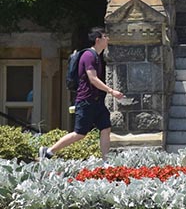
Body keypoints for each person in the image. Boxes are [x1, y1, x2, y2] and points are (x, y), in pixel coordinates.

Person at [39, 28, 125, 160]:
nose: (108, 39)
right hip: (86, 101)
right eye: (105, 36)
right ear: (98, 40)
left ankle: (106, 162)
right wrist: (111, 91)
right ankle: (48, 151)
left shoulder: (97, 56)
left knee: (105, 128)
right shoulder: (89, 56)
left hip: (96, 102)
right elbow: (93, 78)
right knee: (80, 133)